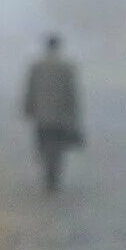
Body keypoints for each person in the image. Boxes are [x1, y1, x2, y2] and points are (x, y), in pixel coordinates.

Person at [23, 33, 84, 192]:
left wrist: (28, 109)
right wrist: (74, 116)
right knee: (58, 148)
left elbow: (30, 90)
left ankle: (46, 168)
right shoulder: (67, 68)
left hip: (41, 115)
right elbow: (72, 94)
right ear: (58, 47)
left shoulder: (36, 67)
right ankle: (54, 174)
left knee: (42, 144)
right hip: (60, 116)